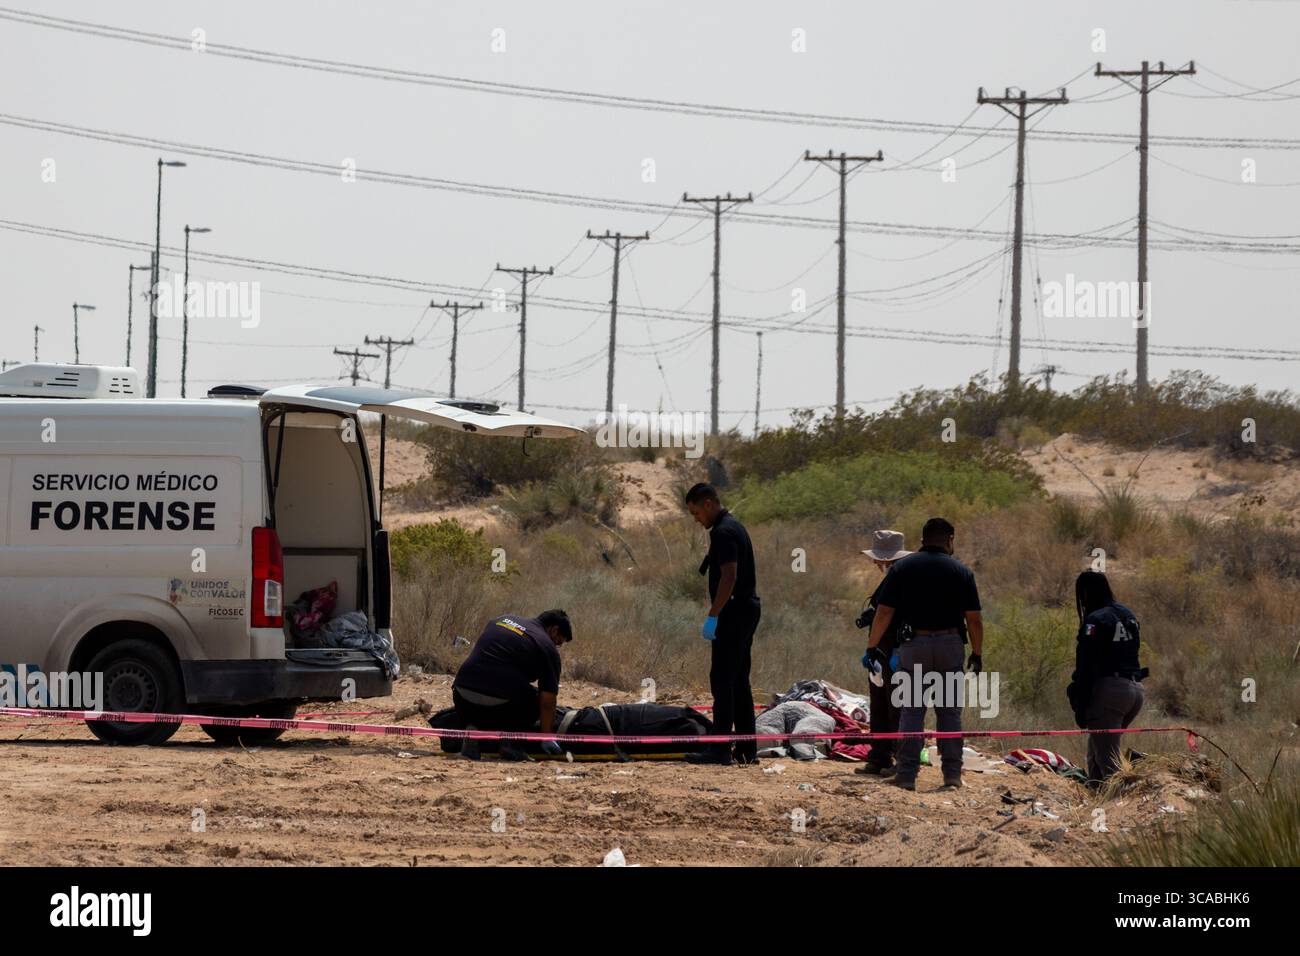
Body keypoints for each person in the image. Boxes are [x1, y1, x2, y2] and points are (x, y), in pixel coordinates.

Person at [866, 517, 983, 791]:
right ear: (950, 540)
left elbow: (884, 612)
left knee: (912, 711)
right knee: (949, 713)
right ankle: (952, 776)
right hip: (950, 644)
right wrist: (977, 652)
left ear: (922, 540)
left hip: (914, 645)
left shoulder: (903, 568)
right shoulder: (962, 572)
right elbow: (974, 619)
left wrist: (872, 647)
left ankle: (906, 775)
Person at [683, 483, 762, 766]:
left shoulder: (724, 532)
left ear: (708, 504)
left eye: (696, 513)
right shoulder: (734, 527)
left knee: (722, 680)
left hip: (734, 613)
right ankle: (746, 749)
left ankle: (718, 750)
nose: (696, 520)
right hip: (746, 609)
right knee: (739, 681)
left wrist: (714, 614)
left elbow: (729, 576)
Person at [452, 610, 573, 761]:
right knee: (535, 700)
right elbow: (548, 701)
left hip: (462, 697)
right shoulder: (547, 647)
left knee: (496, 690)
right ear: (554, 630)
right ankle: (511, 744)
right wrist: (547, 737)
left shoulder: (501, 619)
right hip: (498, 701)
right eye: (558, 642)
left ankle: (473, 732)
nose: (556, 647)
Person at [1067, 571, 1147, 784]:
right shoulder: (1127, 613)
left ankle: (1121, 808)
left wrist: (1080, 703)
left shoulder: (1095, 620)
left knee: (1108, 763)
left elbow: (1085, 667)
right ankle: (1096, 799)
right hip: (1135, 690)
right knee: (1096, 750)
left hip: (1111, 693)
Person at [855, 529, 912, 776]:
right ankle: (879, 756)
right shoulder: (893, 576)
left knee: (896, 705)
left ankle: (900, 760)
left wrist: (893, 649)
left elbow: (893, 614)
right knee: (879, 703)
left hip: (893, 647)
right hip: (881, 649)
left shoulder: (902, 576)